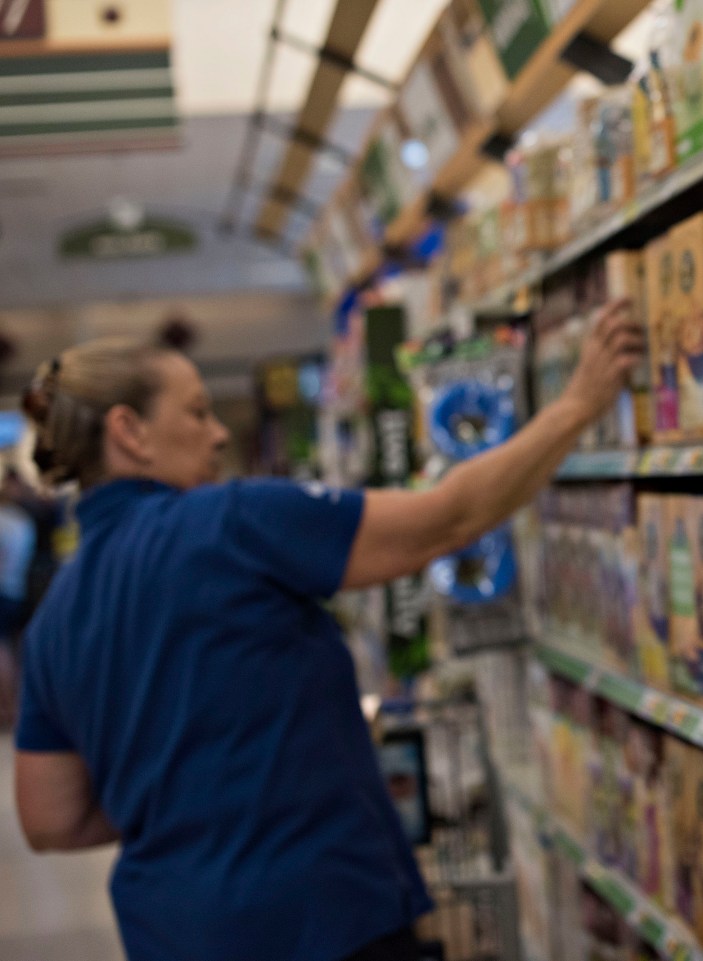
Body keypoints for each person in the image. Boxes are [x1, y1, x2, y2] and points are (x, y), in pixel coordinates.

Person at [12, 307, 642, 961]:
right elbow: (446, 521)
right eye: (198, 412)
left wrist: (179, 788)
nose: (220, 433)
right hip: (317, 915)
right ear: (129, 431)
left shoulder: (54, 617)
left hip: (174, 932)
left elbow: (51, 819)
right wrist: (577, 403)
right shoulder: (231, 522)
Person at [0, 476, 36, 728]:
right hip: (19, 590)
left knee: (3, 651)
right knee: (15, 650)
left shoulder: (3, 521)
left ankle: (8, 708)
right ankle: (17, 706)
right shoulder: (24, 520)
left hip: (3, 590)